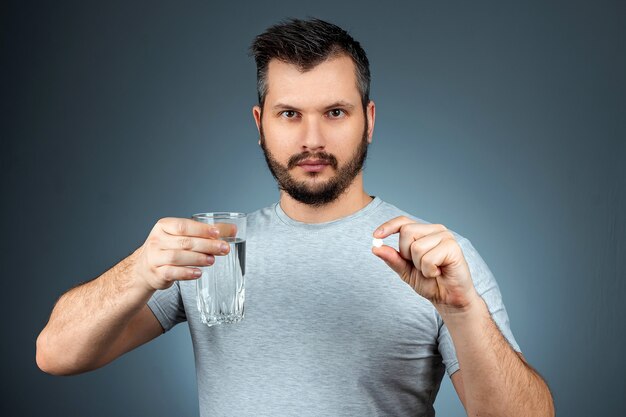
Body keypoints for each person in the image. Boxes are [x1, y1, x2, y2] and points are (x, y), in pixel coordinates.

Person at [36, 17, 555, 417]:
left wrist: (462, 310)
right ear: (260, 124)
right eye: (289, 114)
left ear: (368, 121)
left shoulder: (438, 262)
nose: (312, 140)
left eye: (334, 112)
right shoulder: (216, 250)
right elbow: (56, 354)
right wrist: (138, 269)